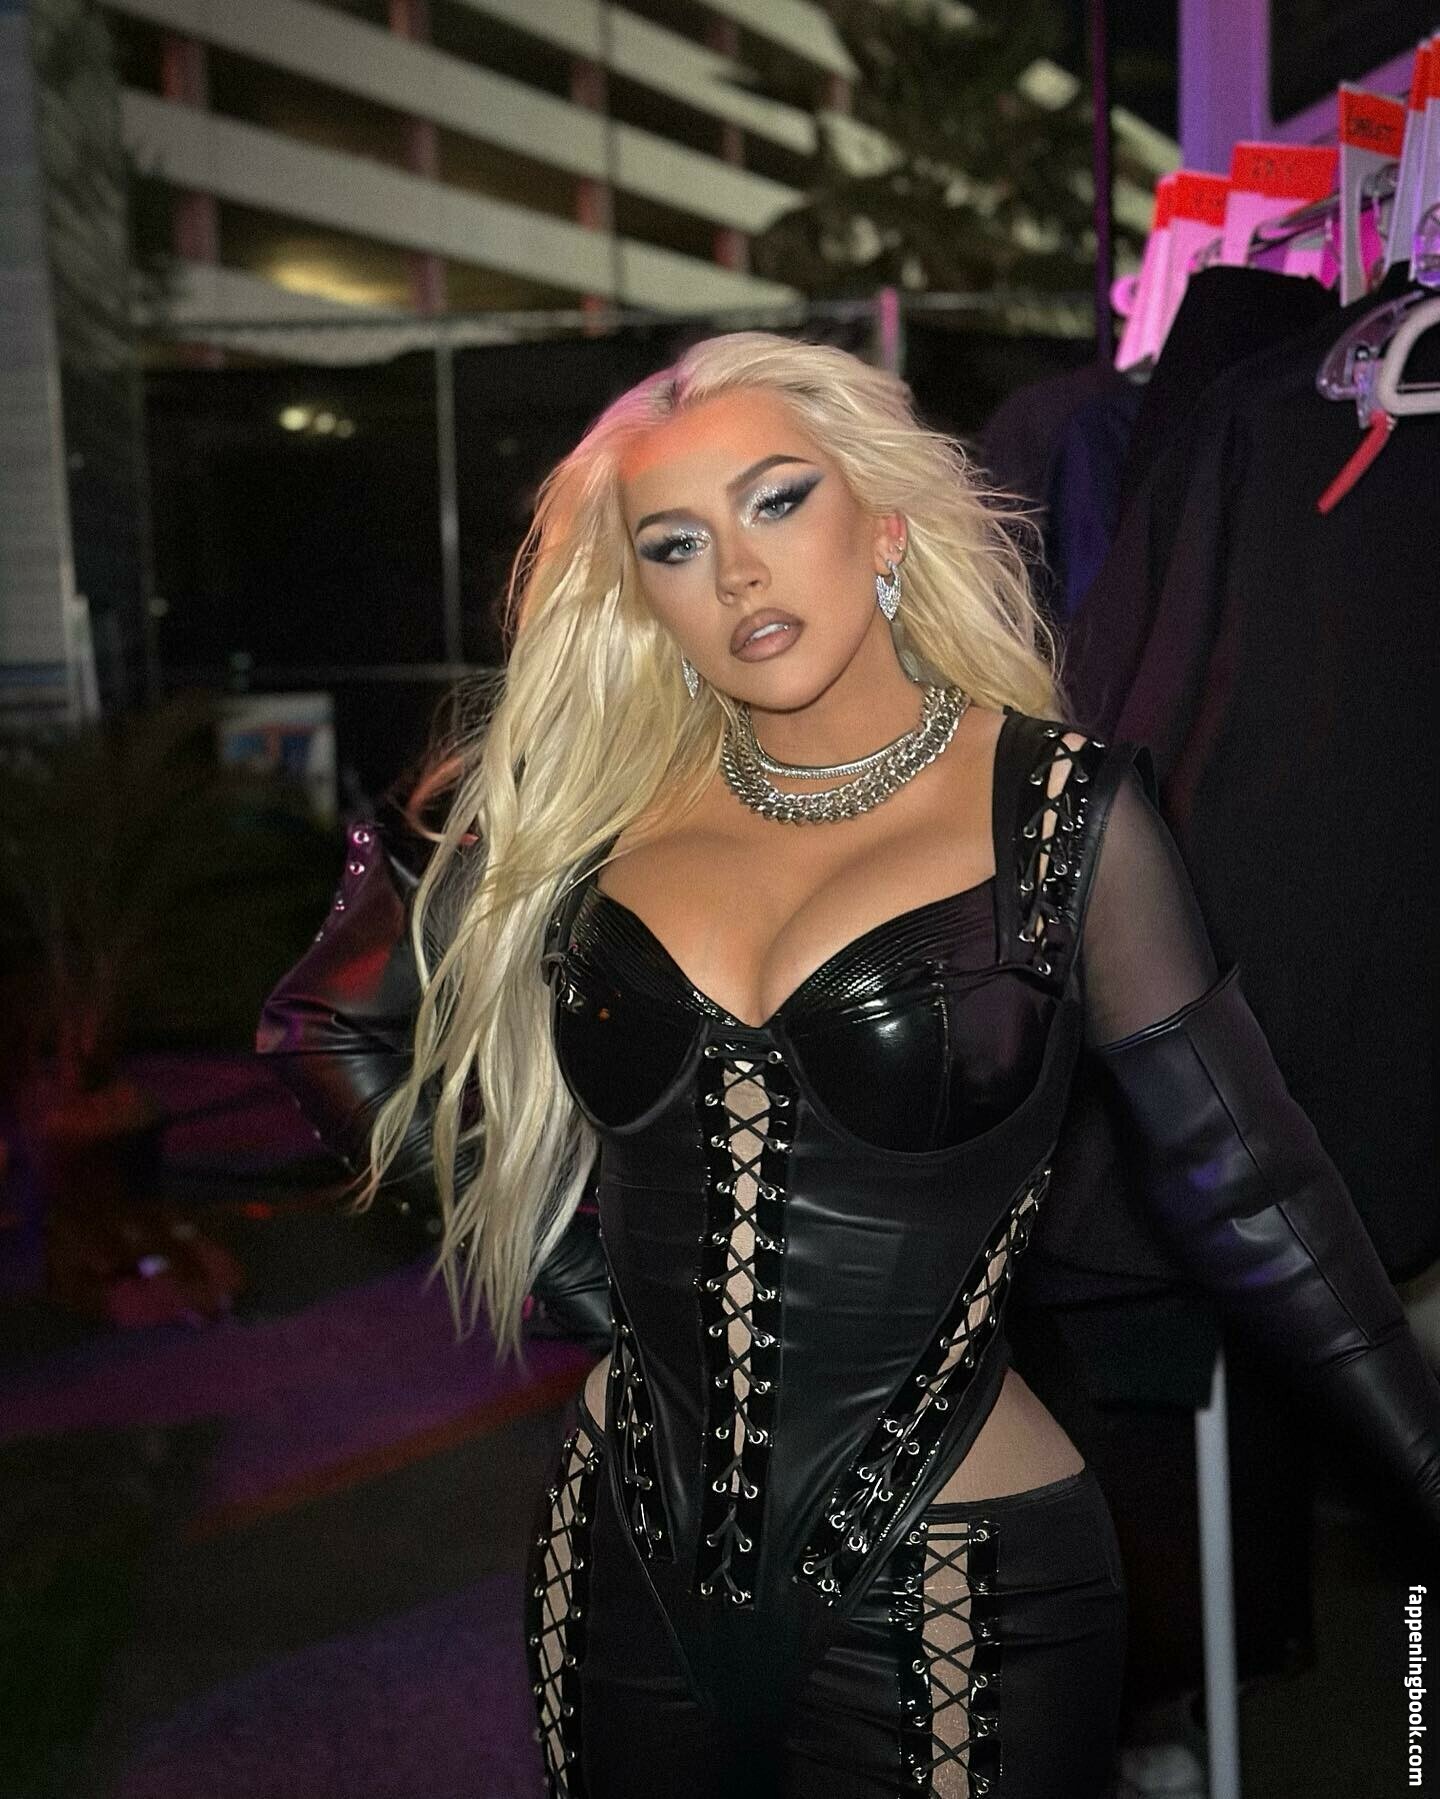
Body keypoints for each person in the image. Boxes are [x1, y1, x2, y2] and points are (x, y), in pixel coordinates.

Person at [257, 333, 1440, 1798]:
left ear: (882, 524)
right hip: (618, 1567)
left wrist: (1425, 1472)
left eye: (777, 500)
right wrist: (578, 1279)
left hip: (957, 1589)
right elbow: (330, 1026)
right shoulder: (587, 816)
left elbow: (1252, 1193)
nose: (738, 572)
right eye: (676, 543)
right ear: (642, 595)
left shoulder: (1058, 821)